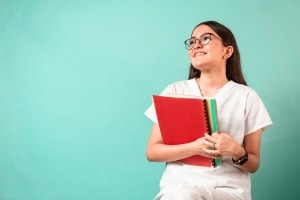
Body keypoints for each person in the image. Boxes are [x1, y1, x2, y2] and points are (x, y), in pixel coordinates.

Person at [144, 20, 272, 200]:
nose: (196, 44)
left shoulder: (247, 97)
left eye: (206, 39)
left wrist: (236, 151)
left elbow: (253, 164)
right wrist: (195, 148)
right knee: (185, 195)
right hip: (178, 190)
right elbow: (153, 152)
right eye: (192, 41)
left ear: (227, 51)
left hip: (227, 191)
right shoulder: (174, 91)